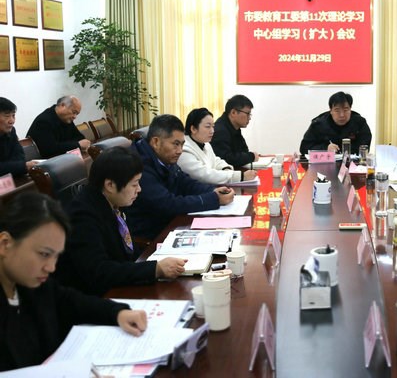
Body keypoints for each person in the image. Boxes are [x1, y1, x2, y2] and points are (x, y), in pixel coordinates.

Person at [0, 192, 147, 371]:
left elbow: (68, 301)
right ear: (5, 244)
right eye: (44, 254)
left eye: (56, 256)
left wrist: (116, 313)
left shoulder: (30, 281)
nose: (51, 267)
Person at [56, 147, 187, 296]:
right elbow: (99, 271)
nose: (139, 189)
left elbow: (126, 254)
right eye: (134, 184)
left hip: (120, 284)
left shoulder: (112, 202)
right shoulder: (82, 216)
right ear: (110, 185)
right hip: (98, 296)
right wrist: (155, 269)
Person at [125, 115, 234, 240]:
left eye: (182, 144)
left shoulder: (163, 156)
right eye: (175, 144)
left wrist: (213, 190)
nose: (180, 151)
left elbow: (185, 182)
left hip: (172, 223)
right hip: (153, 235)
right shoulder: (139, 165)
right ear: (156, 142)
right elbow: (167, 204)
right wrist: (213, 199)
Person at [179, 108, 257, 185]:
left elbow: (216, 161)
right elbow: (204, 175)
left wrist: (226, 168)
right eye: (208, 126)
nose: (212, 131)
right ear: (193, 129)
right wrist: (241, 176)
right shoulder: (183, 149)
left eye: (213, 126)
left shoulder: (205, 143)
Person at [299, 91, 372, 154]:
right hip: (325, 164)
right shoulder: (318, 124)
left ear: (350, 109)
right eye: (337, 110)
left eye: (346, 110)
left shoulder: (360, 123)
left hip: (353, 163)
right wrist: (325, 148)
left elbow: (365, 147)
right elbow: (304, 148)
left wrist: (344, 151)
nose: (342, 115)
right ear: (331, 111)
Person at [26, 96, 91, 158]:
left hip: (59, 158)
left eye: (77, 114)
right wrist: (77, 145)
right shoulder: (44, 121)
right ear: (63, 105)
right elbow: (50, 149)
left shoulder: (66, 119)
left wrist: (82, 143)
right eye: (74, 112)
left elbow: (79, 137)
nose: (75, 117)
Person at [211, 95, 259, 168]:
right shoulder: (220, 130)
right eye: (248, 114)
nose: (249, 118)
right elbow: (226, 159)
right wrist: (252, 156)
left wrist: (248, 156)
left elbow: (244, 151)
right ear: (233, 112)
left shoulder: (234, 127)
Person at [0, 98, 39, 177]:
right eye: (7, 116)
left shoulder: (11, 131)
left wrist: (19, 166)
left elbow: (20, 156)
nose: (12, 121)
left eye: (13, 115)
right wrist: (22, 166)